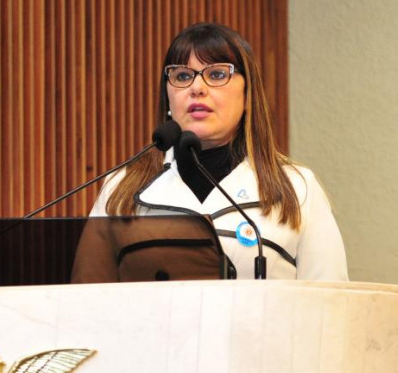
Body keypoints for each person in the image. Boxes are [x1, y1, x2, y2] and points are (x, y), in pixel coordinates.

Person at [88, 23, 348, 281]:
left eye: (216, 75)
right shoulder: (121, 189)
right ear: (168, 99)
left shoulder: (296, 187)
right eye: (182, 76)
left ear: (248, 96)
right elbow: (86, 298)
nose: (197, 88)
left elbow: (329, 305)